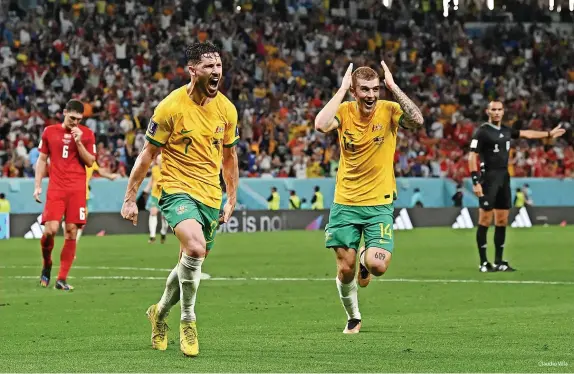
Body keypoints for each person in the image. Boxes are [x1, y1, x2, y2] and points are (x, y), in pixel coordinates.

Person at [120, 42, 239, 357]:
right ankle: (188, 320)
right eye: (209, 66)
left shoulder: (227, 109)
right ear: (193, 70)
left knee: (191, 261)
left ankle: (159, 313)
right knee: (196, 248)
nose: (216, 72)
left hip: (210, 195)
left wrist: (231, 198)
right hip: (175, 189)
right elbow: (148, 155)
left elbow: (229, 157)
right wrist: (130, 197)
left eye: (219, 66)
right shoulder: (170, 107)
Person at [315, 61, 424, 334]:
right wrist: (340, 90)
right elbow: (321, 124)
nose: (371, 95)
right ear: (354, 91)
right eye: (364, 89)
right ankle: (354, 317)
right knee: (346, 270)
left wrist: (393, 87)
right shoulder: (344, 111)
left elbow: (417, 120)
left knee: (377, 265)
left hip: (379, 204)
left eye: (375, 89)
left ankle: (366, 258)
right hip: (346, 203)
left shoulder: (389, 110)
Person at [468, 101, 565, 273]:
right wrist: (475, 181)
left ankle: (499, 261)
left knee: (502, 220)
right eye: (493, 110)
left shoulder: (506, 130)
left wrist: (548, 134)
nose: (496, 112)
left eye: (499, 110)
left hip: (504, 178)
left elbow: (526, 134)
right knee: (484, 220)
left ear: (503, 112)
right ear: (487, 111)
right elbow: (472, 156)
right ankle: (483, 262)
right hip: (488, 178)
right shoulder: (482, 131)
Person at [33, 99, 96, 291]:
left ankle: (61, 279)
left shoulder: (87, 134)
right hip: (56, 188)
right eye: (72, 118)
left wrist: (79, 142)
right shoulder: (49, 132)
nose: (75, 122)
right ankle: (47, 263)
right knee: (49, 231)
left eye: (79, 119)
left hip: (77, 189)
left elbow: (90, 161)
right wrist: (37, 186)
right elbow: (42, 160)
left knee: (71, 231)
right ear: (64, 112)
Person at [143, 154, 169, 244]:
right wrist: (146, 190)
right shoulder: (154, 169)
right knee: (153, 212)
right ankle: (152, 236)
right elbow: (152, 181)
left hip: (165, 196)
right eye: (158, 160)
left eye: (161, 160)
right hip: (155, 195)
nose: (159, 161)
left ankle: (163, 232)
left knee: (165, 217)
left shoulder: (169, 171)